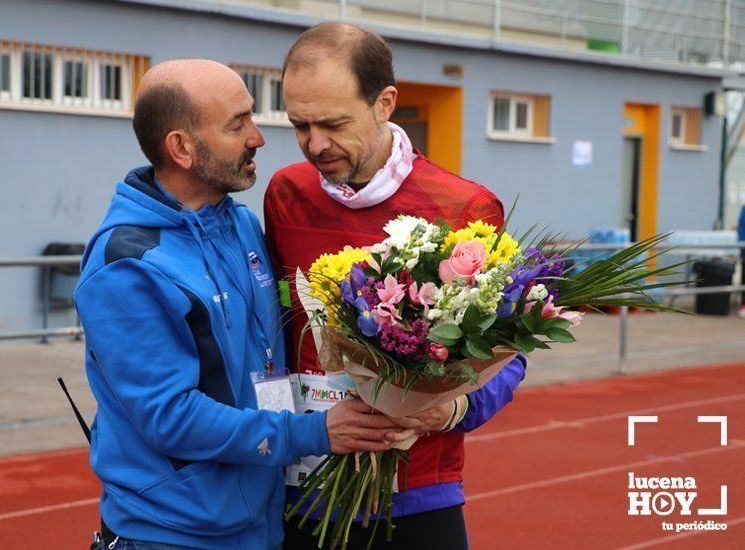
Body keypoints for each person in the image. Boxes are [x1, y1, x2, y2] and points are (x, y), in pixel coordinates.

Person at [76, 59, 411, 550]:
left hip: (261, 526)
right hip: (173, 535)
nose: (259, 137)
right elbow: (171, 417)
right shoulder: (127, 265)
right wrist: (314, 433)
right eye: (238, 125)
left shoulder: (242, 225)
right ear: (183, 148)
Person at [264, 23, 528, 549]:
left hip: (419, 491)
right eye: (299, 125)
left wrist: (453, 408)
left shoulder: (463, 208)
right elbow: (278, 324)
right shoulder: (285, 194)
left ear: (385, 103)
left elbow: (508, 352)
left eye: (334, 123)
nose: (315, 144)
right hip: (304, 489)